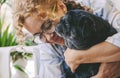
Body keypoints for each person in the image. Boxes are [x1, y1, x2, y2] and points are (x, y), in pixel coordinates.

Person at [13, 0, 120, 78]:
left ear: (61, 6)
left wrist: (78, 57)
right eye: (39, 35)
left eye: (47, 25)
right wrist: (102, 75)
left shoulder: (95, 7)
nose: (49, 37)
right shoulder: (47, 47)